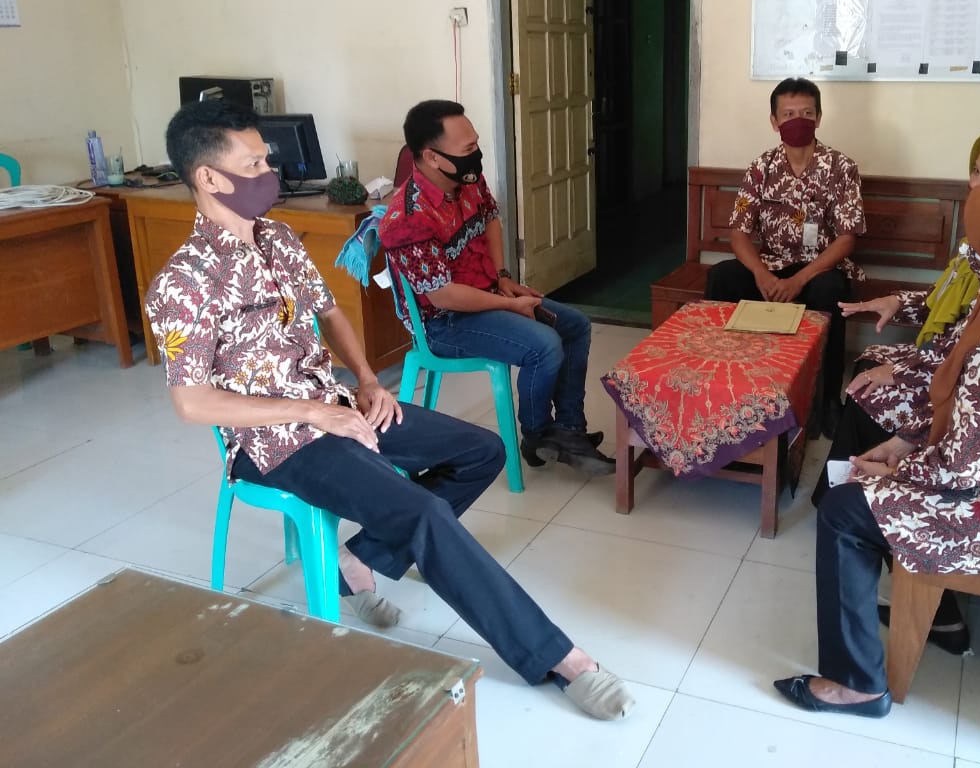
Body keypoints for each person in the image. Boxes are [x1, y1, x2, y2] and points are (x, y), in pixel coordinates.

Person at [144, 100, 634, 720]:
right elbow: (191, 402)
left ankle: (362, 559)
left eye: (267, 159)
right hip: (276, 443)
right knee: (424, 513)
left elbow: (329, 313)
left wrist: (370, 381)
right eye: (254, 165)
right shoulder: (183, 282)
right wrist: (315, 415)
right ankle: (561, 660)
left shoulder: (278, 238)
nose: (271, 173)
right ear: (209, 177)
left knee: (481, 450)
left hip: (338, 406)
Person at [774, 182, 980, 719]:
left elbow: (962, 469)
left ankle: (854, 685)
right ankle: (921, 623)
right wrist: (905, 441)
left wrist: (895, 470)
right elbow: (969, 414)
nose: (970, 246)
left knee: (845, 512)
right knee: (861, 483)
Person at [811, 132, 980, 512]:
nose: (975, 183)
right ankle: (848, 493)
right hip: (950, 363)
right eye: (975, 171)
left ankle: (851, 501)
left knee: (869, 389)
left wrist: (901, 372)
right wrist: (897, 302)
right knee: (869, 366)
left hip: (970, 387)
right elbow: (945, 305)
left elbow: (976, 349)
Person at [378, 99, 612, 476]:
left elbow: (490, 219)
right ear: (432, 157)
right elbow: (443, 295)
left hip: (485, 293)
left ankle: (569, 429)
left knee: (574, 325)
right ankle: (538, 434)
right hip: (443, 322)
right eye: (467, 148)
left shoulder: (467, 180)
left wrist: (503, 277)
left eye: (476, 143)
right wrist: (508, 306)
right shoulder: (408, 218)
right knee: (544, 345)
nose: (477, 155)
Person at [704, 77, 866, 437]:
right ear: (774, 121)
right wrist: (761, 274)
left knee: (830, 292)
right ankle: (724, 384)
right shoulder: (761, 167)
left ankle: (827, 401)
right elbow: (739, 233)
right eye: (789, 114)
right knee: (722, 278)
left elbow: (846, 239)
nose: (798, 120)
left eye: (806, 113)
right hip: (773, 266)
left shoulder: (841, 167)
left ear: (819, 117)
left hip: (820, 268)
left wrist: (799, 279)